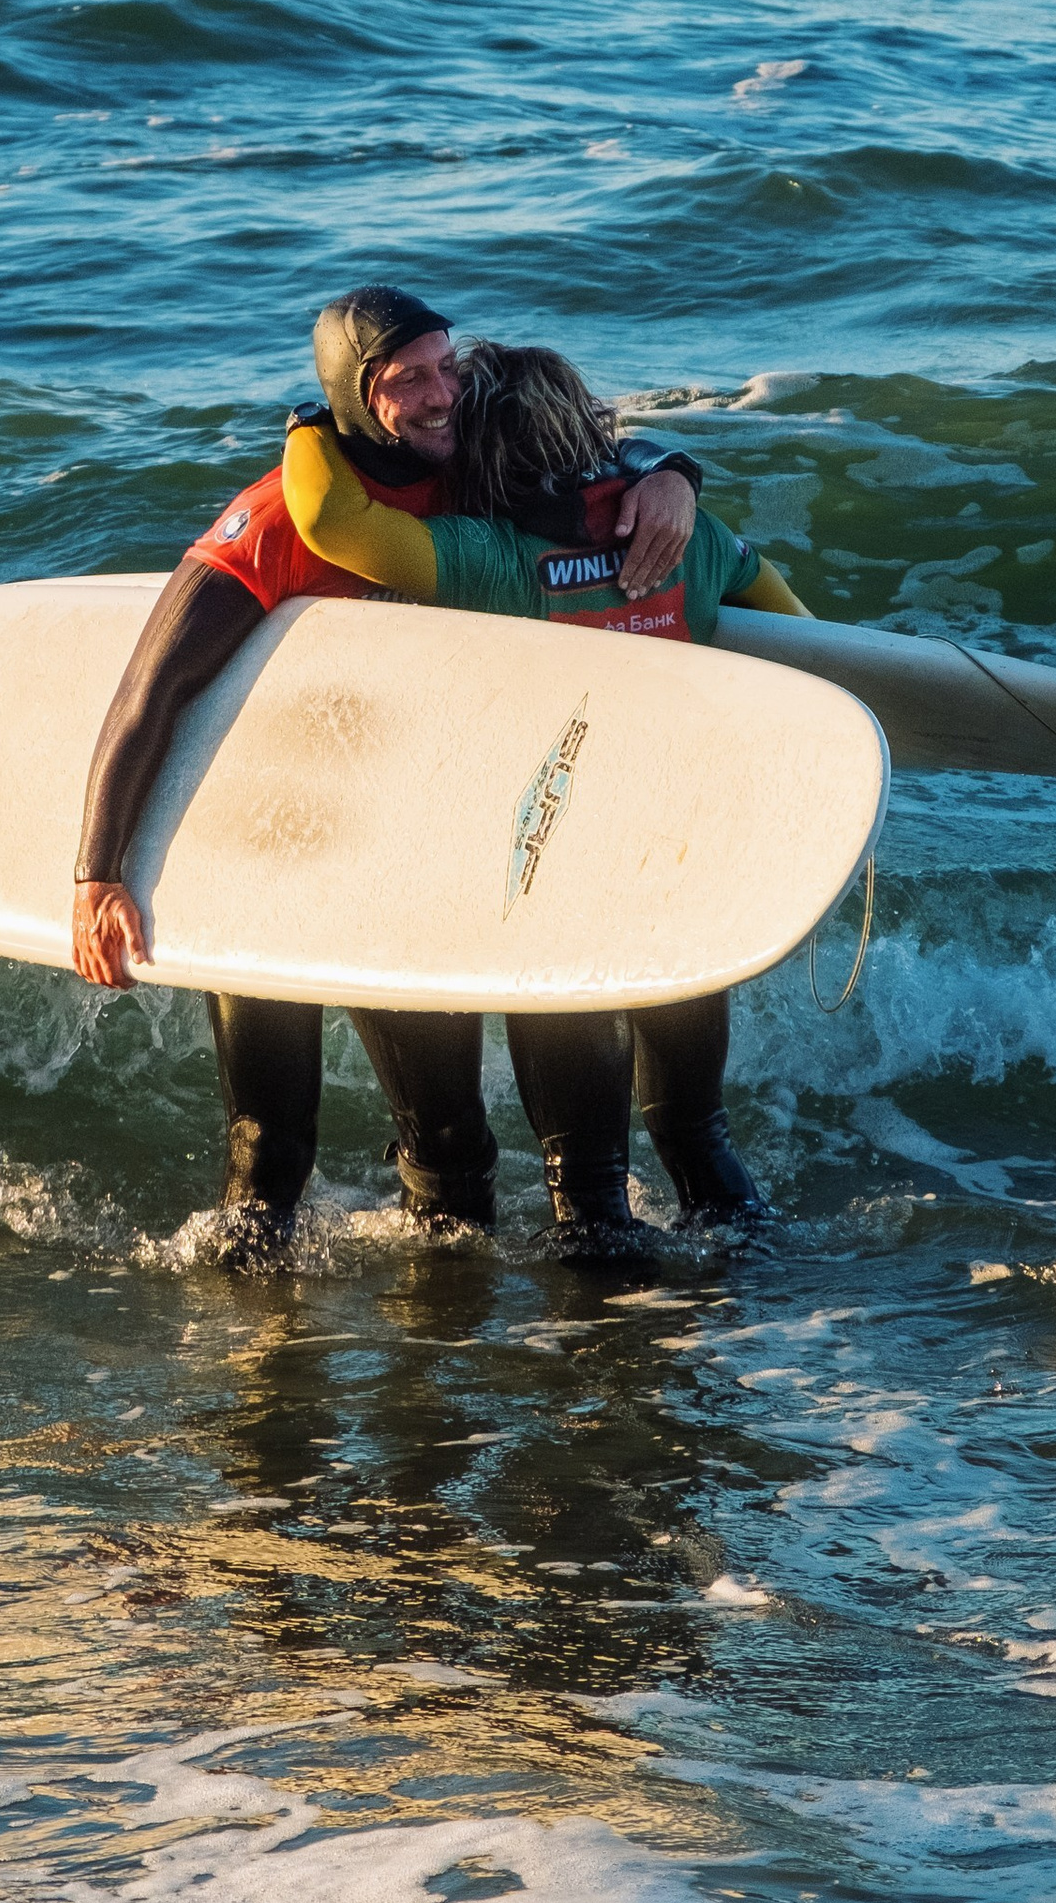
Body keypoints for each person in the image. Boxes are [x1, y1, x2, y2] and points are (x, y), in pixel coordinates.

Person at [71, 285, 706, 1261]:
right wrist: (98, 874)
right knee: (264, 1168)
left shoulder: (469, 482)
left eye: (447, 368)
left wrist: (673, 476)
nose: (442, 393)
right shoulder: (281, 515)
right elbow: (149, 694)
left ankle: (441, 1361)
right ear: (355, 397)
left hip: (405, 843)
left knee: (451, 1154)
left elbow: (585, 472)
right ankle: (259, 1361)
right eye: (408, 379)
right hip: (267, 838)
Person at [282, 339, 813, 1238]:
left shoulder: (488, 557)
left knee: (590, 1191)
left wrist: (310, 423)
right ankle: (748, 1303)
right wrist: (666, 475)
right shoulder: (695, 540)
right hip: (676, 852)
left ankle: (604, 1318)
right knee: (698, 1134)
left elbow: (337, 525)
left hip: (559, 866)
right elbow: (802, 638)